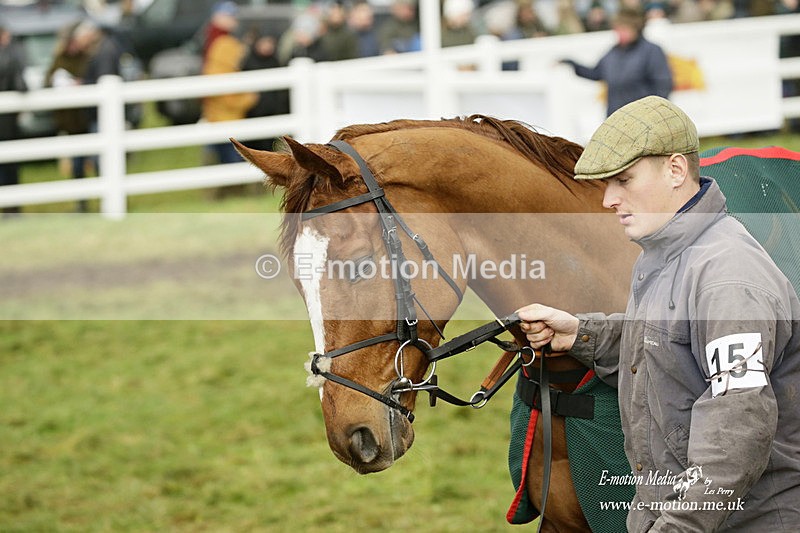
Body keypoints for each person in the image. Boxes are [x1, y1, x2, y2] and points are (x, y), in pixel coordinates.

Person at [516, 96, 800, 531]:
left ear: (675, 170)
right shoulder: (667, 254)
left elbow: (737, 432)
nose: (609, 199)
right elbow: (669, 346)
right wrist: (580, 334)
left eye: (624, 180)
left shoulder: (727, 278)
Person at [559, 7, 672, 116]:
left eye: (624, 29)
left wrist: (654, 112)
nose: (620, 33)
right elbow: (596, 73)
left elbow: (663, 84)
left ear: (635, 28)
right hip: (616, 117)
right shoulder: (612, 53)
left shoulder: (651, 51)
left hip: (643, 117)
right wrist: (571, 64)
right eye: (618, 29)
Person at [201, 1, 257, 164]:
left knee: (218, 153)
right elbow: (224, 80)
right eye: (230, 16)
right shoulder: (223, 44)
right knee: (231, 155)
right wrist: (247, 99)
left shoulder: (211, 40)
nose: (234, 20)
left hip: (216, 110)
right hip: (227, 111)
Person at [45, 22, 92, 199]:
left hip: (83, 116)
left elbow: (90, 79)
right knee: (76, 161)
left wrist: (80, 83)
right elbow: (48, 80)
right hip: (68, 119)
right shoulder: (59, 60)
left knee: (93, 157)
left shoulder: (85, 57)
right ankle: (81, 200)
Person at [240, 30, 290, 152]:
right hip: (253, 113)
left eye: (271, 43)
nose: (268, 46)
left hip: (272, 112)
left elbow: (281, 91)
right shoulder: (248, 63)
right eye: (265, 42)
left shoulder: (276, 61)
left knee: (269, 148)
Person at [0, 24, 28, 215]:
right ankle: (13, 209)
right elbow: (22, 86)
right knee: (10, 166)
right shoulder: (11, 55)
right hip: (7, 122)